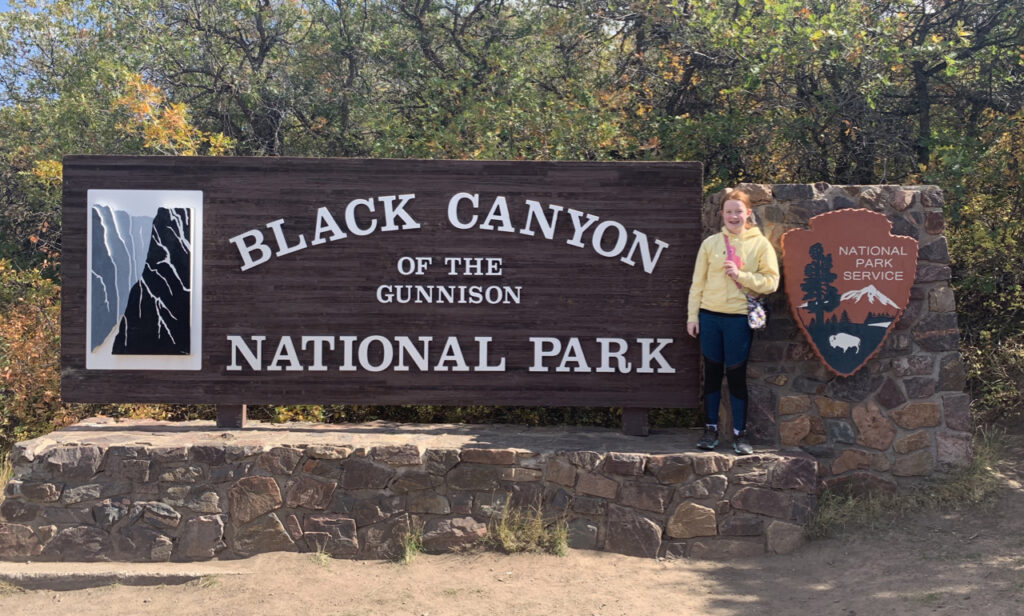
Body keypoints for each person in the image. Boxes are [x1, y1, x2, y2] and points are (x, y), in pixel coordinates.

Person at [686, 188, 779, 454]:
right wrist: (693, 316)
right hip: (710, 317)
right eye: (729, 212)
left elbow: (772, 283)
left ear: (748, 213)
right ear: (721, 215)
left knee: (737, 377)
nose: (733, 216)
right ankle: (710, 429)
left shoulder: (760, 244)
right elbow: (697, 284)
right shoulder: (711, 244)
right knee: (712, 376)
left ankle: (741, 434)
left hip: (738, 319)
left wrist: (741, 275)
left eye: (738, 211)